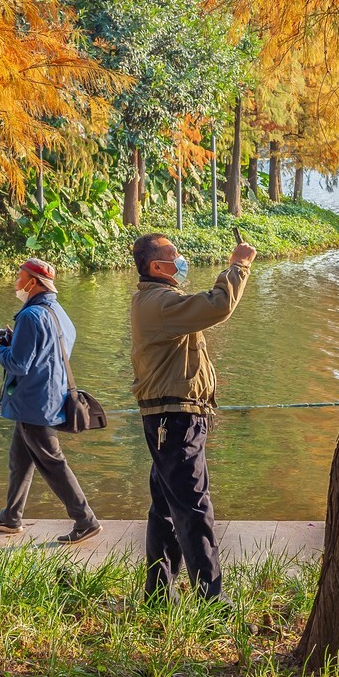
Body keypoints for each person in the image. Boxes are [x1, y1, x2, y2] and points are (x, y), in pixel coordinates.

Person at [129, 233, 257, 602]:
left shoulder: (158, 300)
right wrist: (239, 265)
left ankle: (157, 595)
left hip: (173, 418)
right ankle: (211, 599)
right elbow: (217, 305)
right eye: (174, 255)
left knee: (168, 506)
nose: (181, 259)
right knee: (193, 506)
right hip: (174, 420)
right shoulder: (160, 303)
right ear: (157, 266)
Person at [0, 258, 102, 545]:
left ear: (33, 283)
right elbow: (54, 350)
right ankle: (11, 517)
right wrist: (16, 340)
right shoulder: (58, 311)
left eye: (19, 277)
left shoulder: (30, 316)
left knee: (52, 463)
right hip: (50, 396)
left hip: (34, 403)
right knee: (20, 459)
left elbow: (20, 364)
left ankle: (86, 521)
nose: (16, 282)